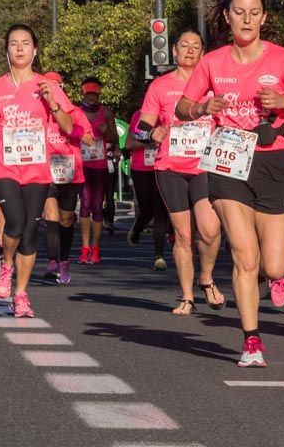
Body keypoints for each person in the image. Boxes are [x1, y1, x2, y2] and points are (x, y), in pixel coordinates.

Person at [176, 0, 284, 366]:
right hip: (228, 160)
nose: (247, 19)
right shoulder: (212, 62)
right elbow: (183, 106)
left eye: (254, 12)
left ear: (264, 18)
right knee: (244, 253)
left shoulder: (283, 60)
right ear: (227, 16)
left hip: (273, 163)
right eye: (239, 12)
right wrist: (203, 108)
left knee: (274, 265)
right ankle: (251, 339)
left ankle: (265, 282)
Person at [0, 24, 76, 317]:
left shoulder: (47, 86)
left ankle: (20, 294)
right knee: (15, 223)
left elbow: (69, 127)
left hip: (36, 168)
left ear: (34, 50)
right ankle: (6, 263)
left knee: (31, 233)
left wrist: (52, 103)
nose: (19, 48)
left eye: (25, 43)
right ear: (7, 51)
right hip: (3, 165)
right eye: (13, 43)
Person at [136, 29, 225, 315]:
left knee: (210, 231)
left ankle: (207, 278)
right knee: (184, 236)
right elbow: (141, 127)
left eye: (195, 46)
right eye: (183, 45)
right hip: (171, 168)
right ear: (173, 51)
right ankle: (187, 297)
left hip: (204, 166)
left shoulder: (213, 86)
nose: (189, 50)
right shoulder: (160, 86)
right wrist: (153, 133)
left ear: (203, 52)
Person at [41, 71, 94, 285]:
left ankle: (64, 260)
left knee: (66, 218)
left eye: (56, 85)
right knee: (50, 214)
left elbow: (90, 140)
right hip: (45, 171)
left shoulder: (75, 112)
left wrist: (73, 131)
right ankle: (53, 260)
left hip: (71, 173)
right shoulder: (37, 112)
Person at [77, 77, 118, 264]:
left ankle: (95, 247)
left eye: (95, 94)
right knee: (85, 204)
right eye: (89, 94)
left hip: (100, 165)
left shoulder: (106, 112)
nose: (92, 97)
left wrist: (105, 131)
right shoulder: (76, 112)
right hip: (82, 165)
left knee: (98, 207)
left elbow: (114, 138)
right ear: (83, 93)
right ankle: (84, 247)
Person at [124, 107, 168, 272]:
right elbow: (128, 144)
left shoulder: (170, 115)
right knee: (147, 210)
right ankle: (136, 229)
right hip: (142, 169)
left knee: (160, 211)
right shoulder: (139, 116)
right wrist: (152, 141)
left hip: (163, 167)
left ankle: (159, 256)